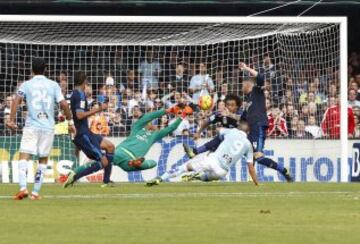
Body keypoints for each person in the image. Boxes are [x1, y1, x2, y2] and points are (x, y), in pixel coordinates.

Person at [63, 105, 193, 187]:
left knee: (103, 162)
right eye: (151, 123)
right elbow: (150, 117)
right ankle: (132, 163)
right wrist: (167, 111)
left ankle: (76, 174)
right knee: (149, 163)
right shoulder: (138, 127)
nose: (153, 124)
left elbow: (170, 128)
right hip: (125, 157)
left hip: (121, 157)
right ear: (146, 124)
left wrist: (181, 117)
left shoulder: (153, 134)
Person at [7, 57, 76, 200]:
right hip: (48, 127)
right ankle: (35, 193)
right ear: (46, 69)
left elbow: (16, 100)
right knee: (43, 159)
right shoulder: (53, 85)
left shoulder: (26, 84)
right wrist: (70, 121)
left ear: (31, 70)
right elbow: (63, 104)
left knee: (24, 156)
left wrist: (11, 119)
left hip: (32, 126)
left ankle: (23, 188)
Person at [146, 121, 258, 186]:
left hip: (212, 161)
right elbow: (250, 167)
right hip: (222, 172)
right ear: (248, 132)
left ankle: (160, 178)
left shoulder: (232, 131)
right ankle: (198, 176)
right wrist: (256, 183)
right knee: (208, 177)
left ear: (239, 128)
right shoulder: (248, 144)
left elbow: (219, 131)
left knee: (184, 167)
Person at [239, 62, 292, 181]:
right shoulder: (248, 101)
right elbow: (242, 119)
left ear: (248, 84)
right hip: (252, 130)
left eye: (242, 84)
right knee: (249, 154)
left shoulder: (257, 91)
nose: (241, 87)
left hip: (258, 126)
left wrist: (246, 68)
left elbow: (261, 77)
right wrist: (229, 115)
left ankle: (284, 171)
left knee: (258, 156)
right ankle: (253, 181)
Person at [66, 71, 115, 188]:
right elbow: (79, 115)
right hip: (83, 135)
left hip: (87, 132)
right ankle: (75, 176)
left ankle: (106, 181)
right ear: (85, 82)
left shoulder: (78, 94)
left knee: (110, 146)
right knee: (104, 162)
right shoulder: (79, 95)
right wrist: (99, 109)